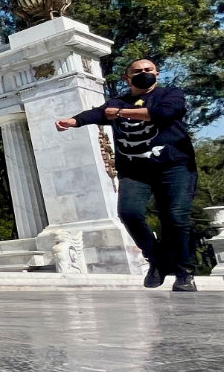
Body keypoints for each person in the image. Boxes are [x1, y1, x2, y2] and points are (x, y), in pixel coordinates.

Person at [55, 58, 199, 291]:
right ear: (127, 78)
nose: (144, 73)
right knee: (129, 212)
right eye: (137, 71)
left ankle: (184, 272)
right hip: (134, 169)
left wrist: (121, 113)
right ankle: (156, 259)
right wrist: (73, 121)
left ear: (157, 73)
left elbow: (166, 112)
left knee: (176, 218)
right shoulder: (116, 102)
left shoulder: (170, 94)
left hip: (174, 165)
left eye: (148, 70)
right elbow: (97, 113)